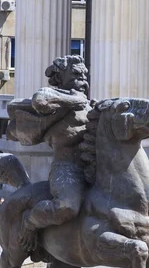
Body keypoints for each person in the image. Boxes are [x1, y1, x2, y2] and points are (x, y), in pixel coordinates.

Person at [6, 55, 92, 250]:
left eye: (85, 75)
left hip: (95, 165)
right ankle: (30, 222)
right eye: (77, 75)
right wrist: (74, 100)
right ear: (61, 78)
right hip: (67, 169)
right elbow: (40, 99)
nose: (83, 81)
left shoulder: (85, 103)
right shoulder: (55, 99)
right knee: (67, 207)